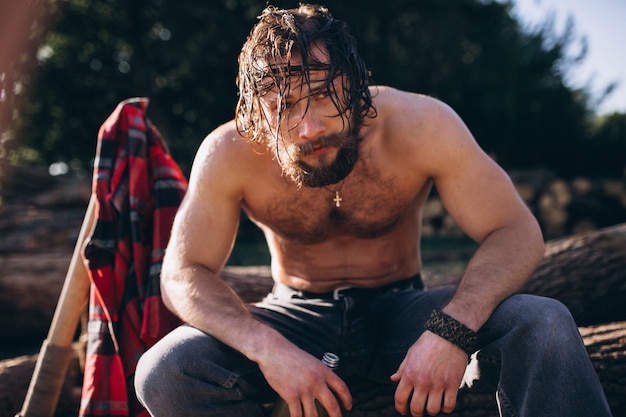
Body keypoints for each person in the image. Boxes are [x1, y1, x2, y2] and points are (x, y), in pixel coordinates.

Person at [134, 4, 612, 417]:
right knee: (165, 371)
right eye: (284, 106)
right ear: (256, 110)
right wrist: (267, 348)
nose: (309, 128)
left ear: (356, 84)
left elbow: (515, 230)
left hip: (404, 311)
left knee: (543, 323)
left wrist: (450, 329)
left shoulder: (422, 124)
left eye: (323, 95)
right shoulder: (228, 151)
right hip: (295, 316)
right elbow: (182, 273)